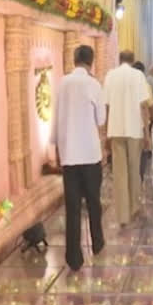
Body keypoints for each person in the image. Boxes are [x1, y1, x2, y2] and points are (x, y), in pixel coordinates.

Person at [50, 45, 106, 270]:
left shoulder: (62, 83)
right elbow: (101, 119)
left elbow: (56, 117)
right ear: (91, 62)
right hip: (90, 153)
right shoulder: (93, 84)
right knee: (93, 202)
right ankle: (97, 243)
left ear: (74, 60)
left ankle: (73, 257)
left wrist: (56, 148)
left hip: (69, 155)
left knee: (72, 206)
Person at [103, 50, 151, 228]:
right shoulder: (138, 76)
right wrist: (147, 134)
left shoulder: (110, 76)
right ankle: (134, 207)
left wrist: (106, 134)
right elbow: (143, 107)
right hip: (134, 129)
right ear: (132, 61)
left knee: (120, 173)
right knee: (133, 170)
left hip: (115, 129)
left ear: (119, 59)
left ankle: (123, 216)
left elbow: (106, 106)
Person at [133, 61, 153, 184]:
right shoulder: (145, 86)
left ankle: (134, 181)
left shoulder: (127, 84)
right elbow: (150, 106)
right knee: (142, 152)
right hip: (142, 124)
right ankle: (139, 180)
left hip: (129, 125)